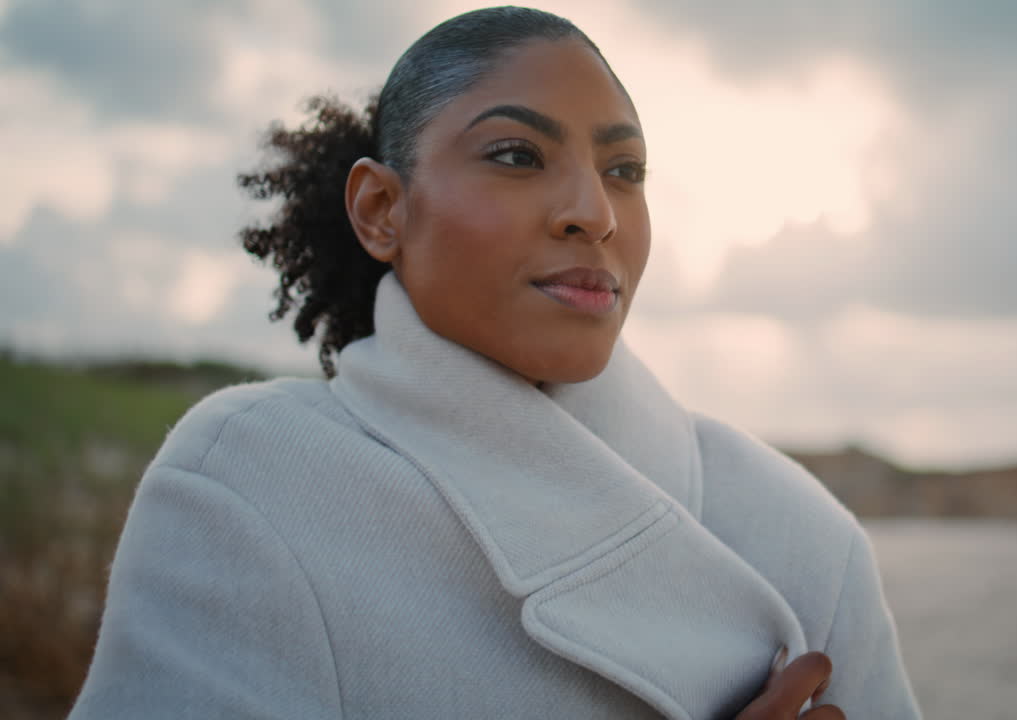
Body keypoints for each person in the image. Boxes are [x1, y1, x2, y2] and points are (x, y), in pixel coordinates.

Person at [69, 7, 919, 719]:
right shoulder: (250, 482)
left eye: (625, 170)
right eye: (517, 155)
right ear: (380, 210)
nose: (595, 212)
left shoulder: (805, 537)